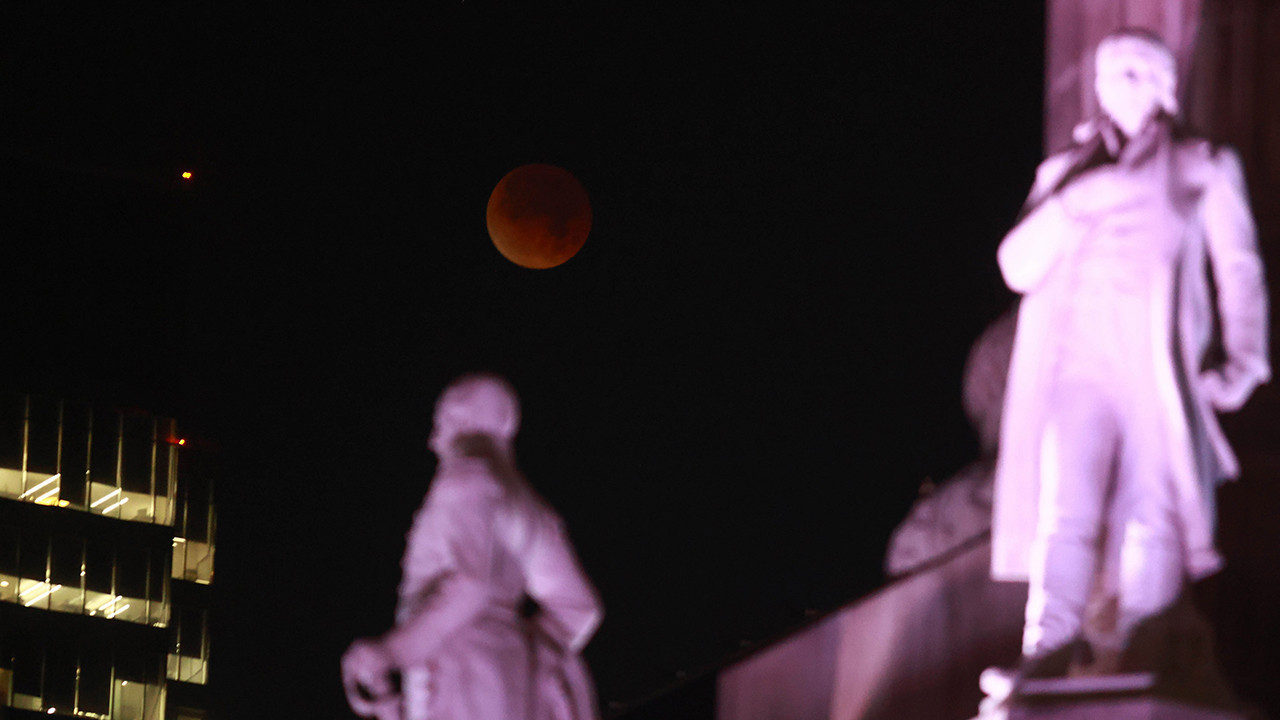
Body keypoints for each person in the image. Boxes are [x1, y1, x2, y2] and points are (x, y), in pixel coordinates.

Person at [982, 28, 1270, 702]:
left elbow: (1240, 268)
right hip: (1076, 369)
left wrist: (1245, 359)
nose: (1123, 87)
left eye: (1139, 72)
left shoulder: (1202, 162)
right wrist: (1078, 202)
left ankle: (1150, 639)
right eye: (1113, 75)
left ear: (1166, 85)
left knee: (1152, 506)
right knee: (1064, 509)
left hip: (1155, 366)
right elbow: (1016, 265)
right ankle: (1045, 650)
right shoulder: (1065, 175)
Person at [341, 373, 604, 720]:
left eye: (441, 422)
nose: (433, 441)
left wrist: (394, 651)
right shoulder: (529, 504)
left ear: (463, 420)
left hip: (456, 670)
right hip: (505, 678)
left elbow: (471, 585)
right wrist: (526, 656)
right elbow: (578, 606)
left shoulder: (465, 479)